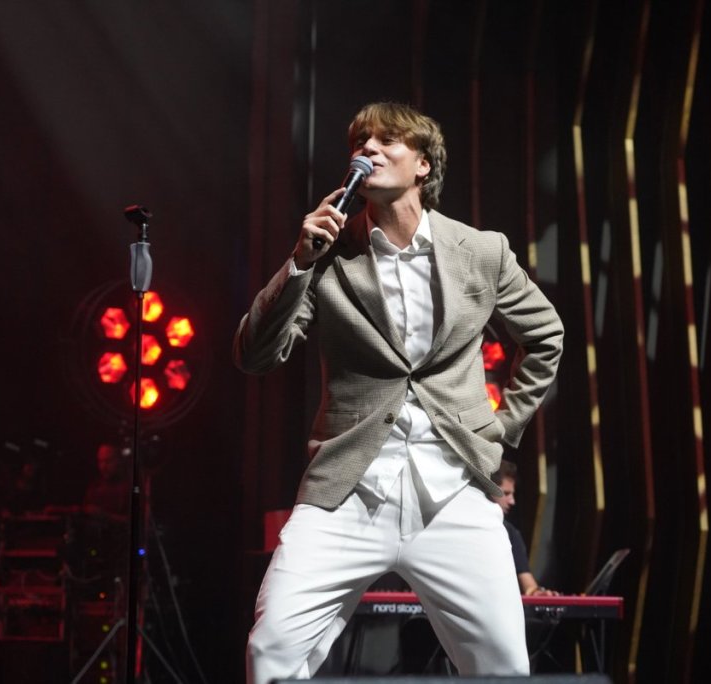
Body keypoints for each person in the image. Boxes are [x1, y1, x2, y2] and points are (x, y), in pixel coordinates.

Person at [234, 101, 564, 682]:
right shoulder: (330, 253)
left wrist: (499, 427)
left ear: (423, 165)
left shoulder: (481, 250)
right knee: (272, 651)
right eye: (360, 142)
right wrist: (299, 262)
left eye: (387, 141)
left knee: (504, 668)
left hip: (454, 492)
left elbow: (545, 337)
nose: (368, 150)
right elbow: (256, 355)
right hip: (347, 491)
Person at [490, 460, 559, 597]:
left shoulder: (511, 533)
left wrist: (538, 594)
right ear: (488, 490)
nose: (512, 501)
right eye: (506, 493)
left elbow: (528, 585)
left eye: (512, 494)